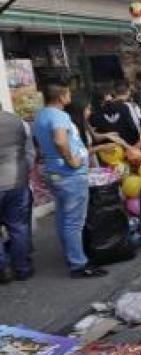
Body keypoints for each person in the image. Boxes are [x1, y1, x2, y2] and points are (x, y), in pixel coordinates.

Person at [33, 82, 106, 278]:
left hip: (54, 172)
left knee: (64, 216)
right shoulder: (59, 116)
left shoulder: (41, 115)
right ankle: (78, 264)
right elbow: (59, 140)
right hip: (69, 174)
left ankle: (72, 255)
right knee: (74, 221)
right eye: (68, 94)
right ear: (61, 97)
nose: (70, 98)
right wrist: (72, 160)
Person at [0, 110, 34, 283]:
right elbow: (29, 154)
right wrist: (23, 172)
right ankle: (22, 268)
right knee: (18, 227)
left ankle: (4, 269)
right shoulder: (18, 121)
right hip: (16, 182)